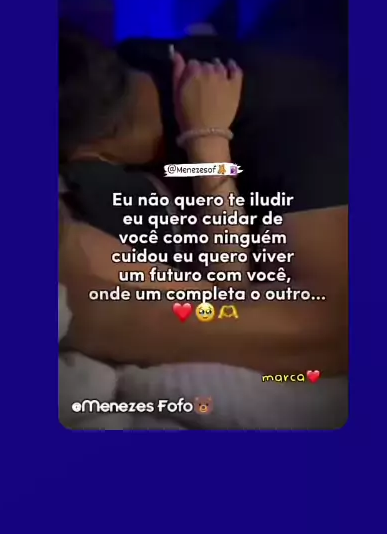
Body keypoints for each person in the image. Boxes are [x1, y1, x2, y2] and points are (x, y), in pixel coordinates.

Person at [59, 26, 348, 376]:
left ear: (86, 159)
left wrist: (207, 145)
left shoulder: (296, 130)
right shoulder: (123, 71)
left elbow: (325, 332)